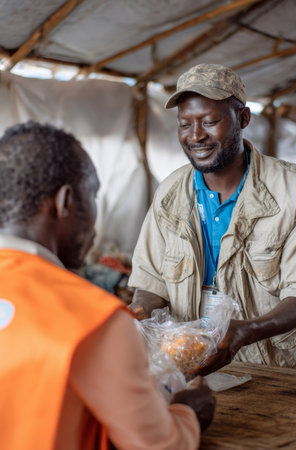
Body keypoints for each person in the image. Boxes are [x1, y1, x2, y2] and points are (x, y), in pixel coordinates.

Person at [0, 121, 215, 450]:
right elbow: (160, 446)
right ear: (66, 201)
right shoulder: (93, 319)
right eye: (93, 195)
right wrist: (188, 412)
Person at [128, 64, 296, 372]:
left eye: (210, 121)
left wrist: (246, 331)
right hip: (194, 363)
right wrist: (138, 310)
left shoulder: (294, 190)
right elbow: (152, 281)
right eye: (185, 124)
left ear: (243, 118)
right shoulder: (170, 192)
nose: (196, 136)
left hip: (275, 369)